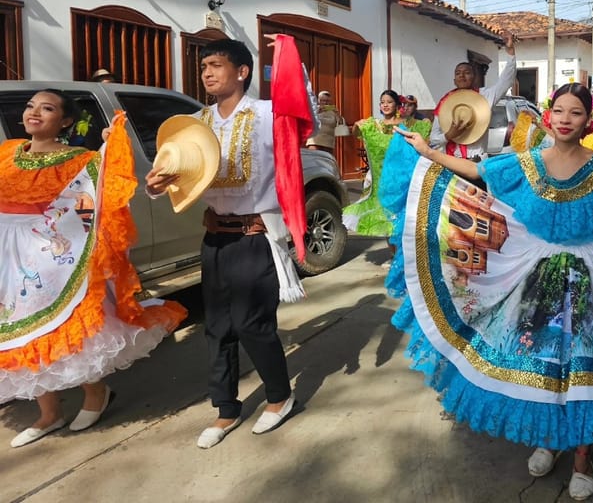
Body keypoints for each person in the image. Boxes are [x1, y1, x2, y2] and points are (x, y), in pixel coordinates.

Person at [384, 82, 593, 501]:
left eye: (575, 112)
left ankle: (582, 456)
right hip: (537, 277)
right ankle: (549, 438)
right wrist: (426, 151)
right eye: (560, 111)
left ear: (587, 121)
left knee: (585, 369)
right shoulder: (527, 162)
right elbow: (477, 173)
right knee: (541, 360)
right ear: (550, 116)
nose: (566, 119)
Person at [2, 90, 186, 448]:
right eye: (30, 106)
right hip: (6, 256)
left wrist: (110, 145)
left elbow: (100, 194)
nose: (34, 113)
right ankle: (49, 414)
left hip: (50, 258)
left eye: (47, 108)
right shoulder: (6, 153)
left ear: (65, 121)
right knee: (20, 334)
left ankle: (95, 393)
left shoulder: (79, 160)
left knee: (62, 329)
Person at [145, 38, 305, 449]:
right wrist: (158, 185)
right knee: (217, 327)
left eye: (216, 65)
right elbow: (179, 175)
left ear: (242, 71)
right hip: (215, 236)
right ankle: (226, 408)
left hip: (255, 236)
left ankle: (279, 396)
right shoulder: (194, 124)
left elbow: (304, 118)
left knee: (253, 324)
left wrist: (287, 56)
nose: (207, 74)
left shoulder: (268, 114)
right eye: (204, 67)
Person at [344, 90, 430, 237]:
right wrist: (357, 125)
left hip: (401, 178)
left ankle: (400, 247)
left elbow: (424, 132)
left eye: (389, 102)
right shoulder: (374, 125)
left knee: (401, 216)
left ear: (397, 105)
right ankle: (392, 248)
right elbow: (356, 133)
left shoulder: (407, 124)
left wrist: (427, 122)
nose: (385, 105)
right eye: (382, 102)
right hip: (380, 178)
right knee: (385, 219)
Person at [430, 37, 516, 159]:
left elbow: (506, 81)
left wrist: (510, 52)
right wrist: (448, 135)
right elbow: (433, 138)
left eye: (467, 72)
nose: (462, 76)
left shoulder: (484, 96)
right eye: (458, 73)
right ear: (454, 80)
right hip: (451, 161)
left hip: (477, 161)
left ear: (474, 77)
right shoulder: (445, 102)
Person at [305, 90, 340, 156]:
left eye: (327, 101)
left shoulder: (333, 111)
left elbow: (340, 124)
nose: (325, 103)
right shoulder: (313, 109)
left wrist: (337, 114)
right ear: (319, 100)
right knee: (314, 159)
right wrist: (317, 112)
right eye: (323, 100)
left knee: (326, 160)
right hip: (315, 142)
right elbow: (307, 121)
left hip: (328, 143)